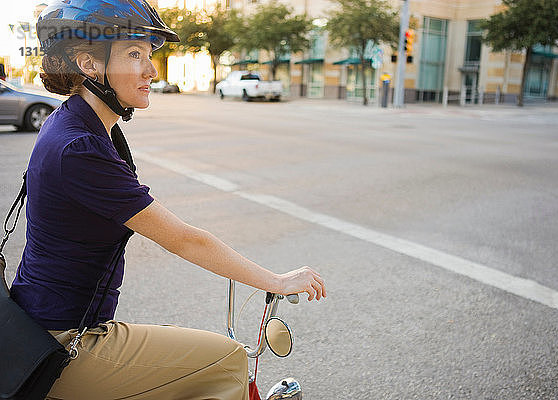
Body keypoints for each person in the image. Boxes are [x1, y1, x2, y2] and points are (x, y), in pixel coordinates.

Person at [9, 1, 326, 399]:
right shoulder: (79, 147)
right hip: (67, 343)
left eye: (149, 55)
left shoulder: (77, 123)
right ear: (89, 64)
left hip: (48, 323)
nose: (151, 70)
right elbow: (182, 239)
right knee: (227, 359)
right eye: (134, 55)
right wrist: (277, 281)